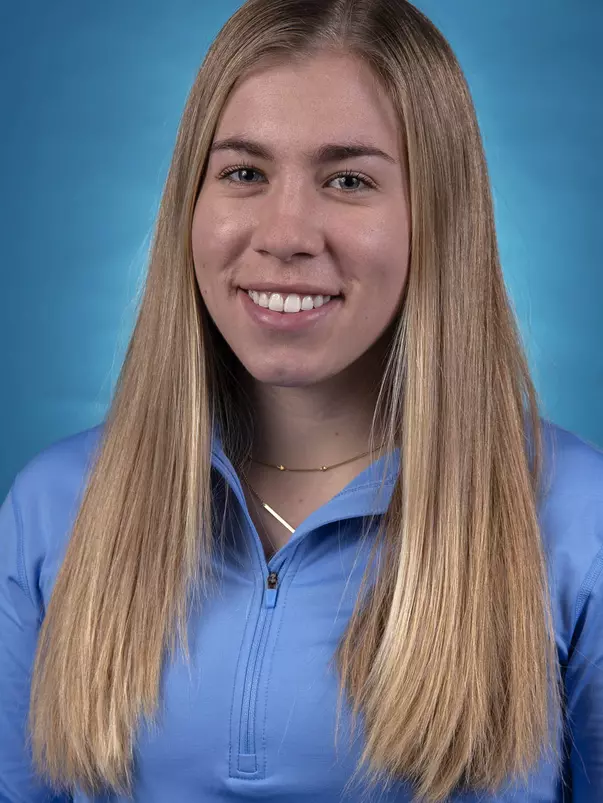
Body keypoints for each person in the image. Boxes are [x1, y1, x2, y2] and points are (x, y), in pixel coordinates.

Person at [1, 0, 602, 800]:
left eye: (347, 179)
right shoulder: (53, 507)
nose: (286, 232)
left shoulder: (576, 520)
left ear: (437, 215)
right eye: (244, 172)